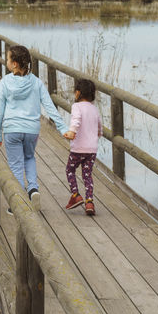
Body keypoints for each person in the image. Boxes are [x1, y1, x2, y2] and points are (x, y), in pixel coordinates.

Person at [0, 45, 66, 203]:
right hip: (32, 130)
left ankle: (19, 202)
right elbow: (49, 107)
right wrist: (63, 128)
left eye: (8, 59)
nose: (6, 61)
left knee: (15, 165)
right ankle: (33, 189)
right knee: (29, 158)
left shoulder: (5, 83)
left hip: (12, 129)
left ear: (15, 64)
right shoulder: (37, 83)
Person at [63, 78, 102, 216]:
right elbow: (99, 128)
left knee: (70, 170)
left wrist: (71, 132)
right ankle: (89, 201)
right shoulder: (95, 109)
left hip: (78, 148)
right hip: (91, 150)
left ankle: (75, 195)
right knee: (87, 175)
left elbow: (76, 120)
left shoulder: (76, 107)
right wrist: (97, 134)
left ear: (78, 93)